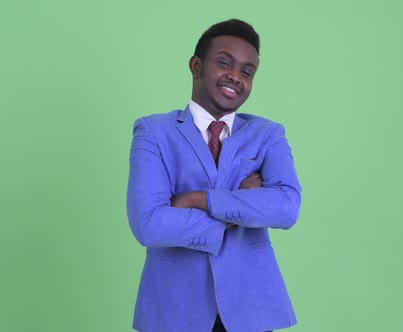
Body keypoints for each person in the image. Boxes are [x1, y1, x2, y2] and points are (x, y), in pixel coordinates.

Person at [127, 18, 302, 332]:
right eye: (225, 63)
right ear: (196, 65)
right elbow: (149, 225)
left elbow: (287, 207)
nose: (235, 77)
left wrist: (198, 200)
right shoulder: (153, 132)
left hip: (251, 312)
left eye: (247, 72)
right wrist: (240, 209)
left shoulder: (267, 134)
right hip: (174, 312)